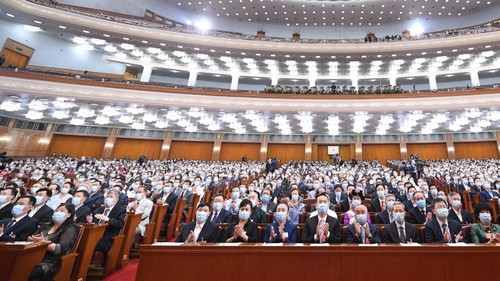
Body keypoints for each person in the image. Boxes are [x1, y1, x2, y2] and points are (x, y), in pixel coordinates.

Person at [28, 203, 78, 281]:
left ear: (69, 215)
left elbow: (59, 249)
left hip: (52, 261)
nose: (58, 212)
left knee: (30, 269)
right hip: (35, 255)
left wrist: (43, 243)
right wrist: (31, 239)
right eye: (57, 210)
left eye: (62, 211)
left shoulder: (70, 229)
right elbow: (31, 238)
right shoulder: (45, 226)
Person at [86, 190, 126, 255]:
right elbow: (94, 224)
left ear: (117, 199)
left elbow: (120, 224)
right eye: (107, 197)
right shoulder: (98, 210)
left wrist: (107, 219)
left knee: (89, 244)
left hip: (107, 238)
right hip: (94, 234)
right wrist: (90, 222)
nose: (108, 198)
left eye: (111, 197)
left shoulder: (120, 210)